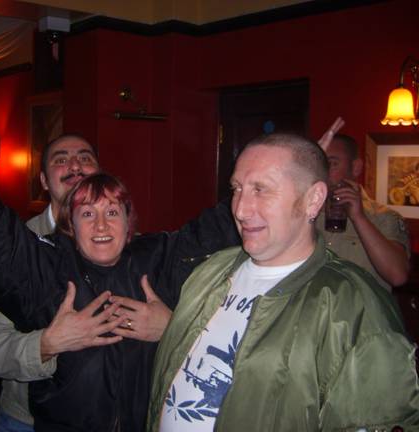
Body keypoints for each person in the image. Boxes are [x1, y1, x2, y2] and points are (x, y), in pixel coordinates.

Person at [0, 82, 240, 432]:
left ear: (129, 221)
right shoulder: (44, 264)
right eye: (87, 213)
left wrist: (173, 328)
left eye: (111, 211)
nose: (101, 224)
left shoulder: (156, 259)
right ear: (69, 224)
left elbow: (218, 233)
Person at [147, 133, 419, 431]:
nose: (240, 209)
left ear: (313, 200)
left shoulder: (354, 304)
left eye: (261, 190)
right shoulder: (210, 271)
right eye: (237, 189)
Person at [0, 134, 107, 432]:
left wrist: (165, 326)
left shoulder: (127, 243)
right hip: (27, 422)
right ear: (45, 181)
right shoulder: (16, 250)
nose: (75, 165)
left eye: (85, 158)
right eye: (61, 160)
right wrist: (46, 344)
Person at [317, 133, 410, 291]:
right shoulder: (307, 213)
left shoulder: (383, 217)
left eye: (332, 164)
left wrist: (359, 218)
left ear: (356, 168)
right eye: (320, 164)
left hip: (360, 307)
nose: (324, 172)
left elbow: (397, 276)